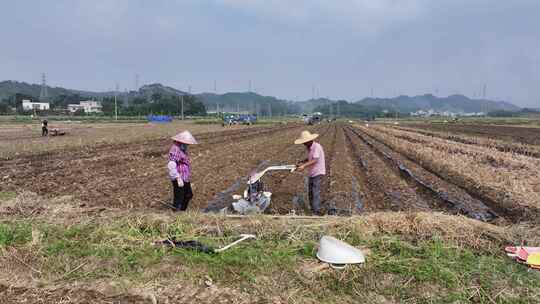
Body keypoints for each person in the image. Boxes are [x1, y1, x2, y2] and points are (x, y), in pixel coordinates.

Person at [294, 130, 326, 215]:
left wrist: (304, 166)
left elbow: (315, 160)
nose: (303, 144)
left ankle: (317, 211)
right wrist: (302, 161)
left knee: (315, 191)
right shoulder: (310, 147)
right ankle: (312, 209)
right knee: (311, 192)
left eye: (304, 142)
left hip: (318, 172)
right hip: (312, 173)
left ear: (309, 140)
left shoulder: (316, 147)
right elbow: (310, 159)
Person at [167, 130, 198, 211]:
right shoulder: (175, 149)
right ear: (181, 142)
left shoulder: (181, 149)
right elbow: (171, 165)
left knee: (188, 195)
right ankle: (176, 213)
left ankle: (181, 211)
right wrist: (177, 178)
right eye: (186, 143)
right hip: (179, 178)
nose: (187, 145)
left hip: (184, 178)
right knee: (179, 198)